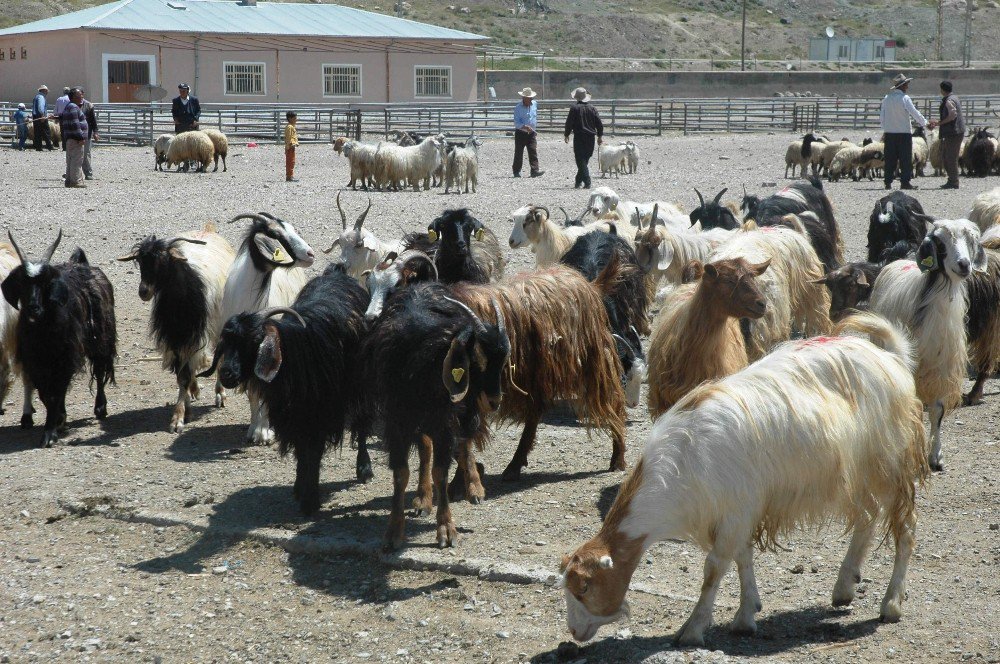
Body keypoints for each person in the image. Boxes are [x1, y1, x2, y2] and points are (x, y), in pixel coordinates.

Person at [879, 73, 927, 191]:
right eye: (906, 84)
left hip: (890, 133)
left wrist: (886, 128)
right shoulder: (905, 99)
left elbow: (882, 116)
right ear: (903, 85)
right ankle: (905, 182)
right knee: (905, 159)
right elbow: (914, 113)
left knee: (890, 158)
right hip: (904, 133)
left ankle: (888, 181)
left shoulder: (887, 99)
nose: (907, 86)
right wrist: (925, 123)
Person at [927, 80, 964, 190]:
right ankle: (952, 180)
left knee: (950, 157)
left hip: (953, 133)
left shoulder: (949, 101)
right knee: (948, 156)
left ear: (942, 90)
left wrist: (939, 123)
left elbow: (952, 115)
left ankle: (953, 181)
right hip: (956, 132)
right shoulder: (955, 98)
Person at [564, 87, 603, 189]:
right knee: (585, 160)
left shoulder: (574, 108)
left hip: (579, 136)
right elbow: (599, 123)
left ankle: (587, 181)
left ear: (576, 97)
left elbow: (569, 123)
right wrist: (600, 136)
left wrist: (566, 134)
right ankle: (578, 181)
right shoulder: (593, 108)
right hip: (591, 138)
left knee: (580, 160)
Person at [60, 87, 88, 188]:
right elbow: (75, 124)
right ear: (74, 97)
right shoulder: (73, 107)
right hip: (75, 139)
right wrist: (80, 137)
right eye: (80, 95)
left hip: (70, 138)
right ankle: (76, 181)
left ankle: (69, 180)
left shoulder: (68, 106)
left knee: (70, 160)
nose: (82, 97)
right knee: (77, 160)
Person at [513, 87, 544, 178]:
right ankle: (516, 171)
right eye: (528, 98)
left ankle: (534, 170)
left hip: (531, 133)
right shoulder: (518, 108)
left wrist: (534, 129)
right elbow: (516, 122)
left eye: (531, 98)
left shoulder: (534, 104)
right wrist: (524, 127)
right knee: (519, 152)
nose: (530, 100)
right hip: (521, 133)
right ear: (523, 98)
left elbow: (534, 117)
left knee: (533, 151)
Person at [81, 96, 99, 180]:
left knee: (86, 153)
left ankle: (88, 172)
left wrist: (95, 132)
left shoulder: (88, 106)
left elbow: (93, 120)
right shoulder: (71, 105)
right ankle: (72, 173)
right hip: (73, 133)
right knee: (73, 154)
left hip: (86, 133)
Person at [32, 85, 53, 152]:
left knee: (37, 132)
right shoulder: (41, 97)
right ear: (44, 91)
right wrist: (42, 116)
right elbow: (40, 107)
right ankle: (49, 146)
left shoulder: (36, 97)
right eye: (46, 91)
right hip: (41, 117)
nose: (47, 92)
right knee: (46, 132)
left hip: (36, 116)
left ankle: (38, 147)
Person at [54, 87, 71, 151]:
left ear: (63, 92)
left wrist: (55, 116)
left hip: (61, 117)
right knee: (70, 131)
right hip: (69, 116)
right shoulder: (70, 99)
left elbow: (56, 110)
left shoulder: (59, 99)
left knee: (63, 132)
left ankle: (64, 147)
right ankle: (69, 147)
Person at [284, 111, 299, 182]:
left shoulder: (290, 126)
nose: (296, 119)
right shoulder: (290, 127)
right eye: (295, 118)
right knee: (291, 161)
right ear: (290, 118)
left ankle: (290, 175)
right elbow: (289, 137)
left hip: (290, 146)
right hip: (290, 147)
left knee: (291, 161)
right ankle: (289, 176)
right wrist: (291, 144)